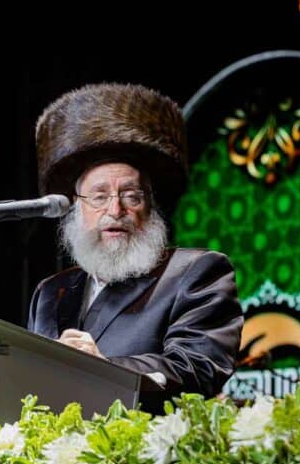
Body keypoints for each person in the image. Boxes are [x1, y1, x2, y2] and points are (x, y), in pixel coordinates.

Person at [28, 83, 243, 411]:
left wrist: (104, 369)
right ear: (77, 207)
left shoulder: (195, 272)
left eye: (131, 196)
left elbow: (199, 368)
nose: (115, 210)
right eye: (99, 196)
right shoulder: (50, 293)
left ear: (150, 206)